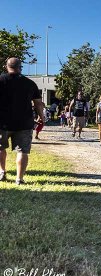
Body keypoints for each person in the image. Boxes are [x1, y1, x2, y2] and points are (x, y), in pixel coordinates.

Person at [0, 57, 45, 185]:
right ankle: (19, 179)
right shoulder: (30, 83)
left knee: (0, 148)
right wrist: (41, 117)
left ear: (6, 66)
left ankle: (2, 172)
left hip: (2, 123)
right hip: (24, 123)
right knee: (23, 151)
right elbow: (37, 104)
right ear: (20, 67)